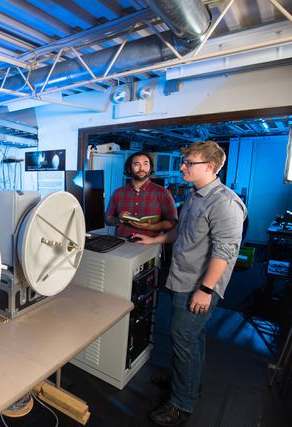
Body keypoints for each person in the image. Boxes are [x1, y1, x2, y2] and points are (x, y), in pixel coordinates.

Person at [133, 142, 246, 426]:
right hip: (182, 277)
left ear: (210, 167)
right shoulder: (195, 196)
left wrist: (205, 290)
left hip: (198, 285)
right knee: (192, 337)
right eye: (184, 161)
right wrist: (154, 240)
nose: (182, 166)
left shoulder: (225, 203)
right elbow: (181, 233)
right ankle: (188, 381)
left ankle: (182, 403)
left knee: (183, 337)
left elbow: (224, 253)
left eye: (188, 162)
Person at [105, 151, 177, 238]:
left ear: (150, 168)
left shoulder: (163, 193)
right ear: (129, 169)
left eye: (145, 164)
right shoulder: (118, 193)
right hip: (122, 242)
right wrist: (119, 220)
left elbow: (172, 223)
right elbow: (107, 219)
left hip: (150, 244)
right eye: (137, 164)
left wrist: (151, 227)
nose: (142, 168)